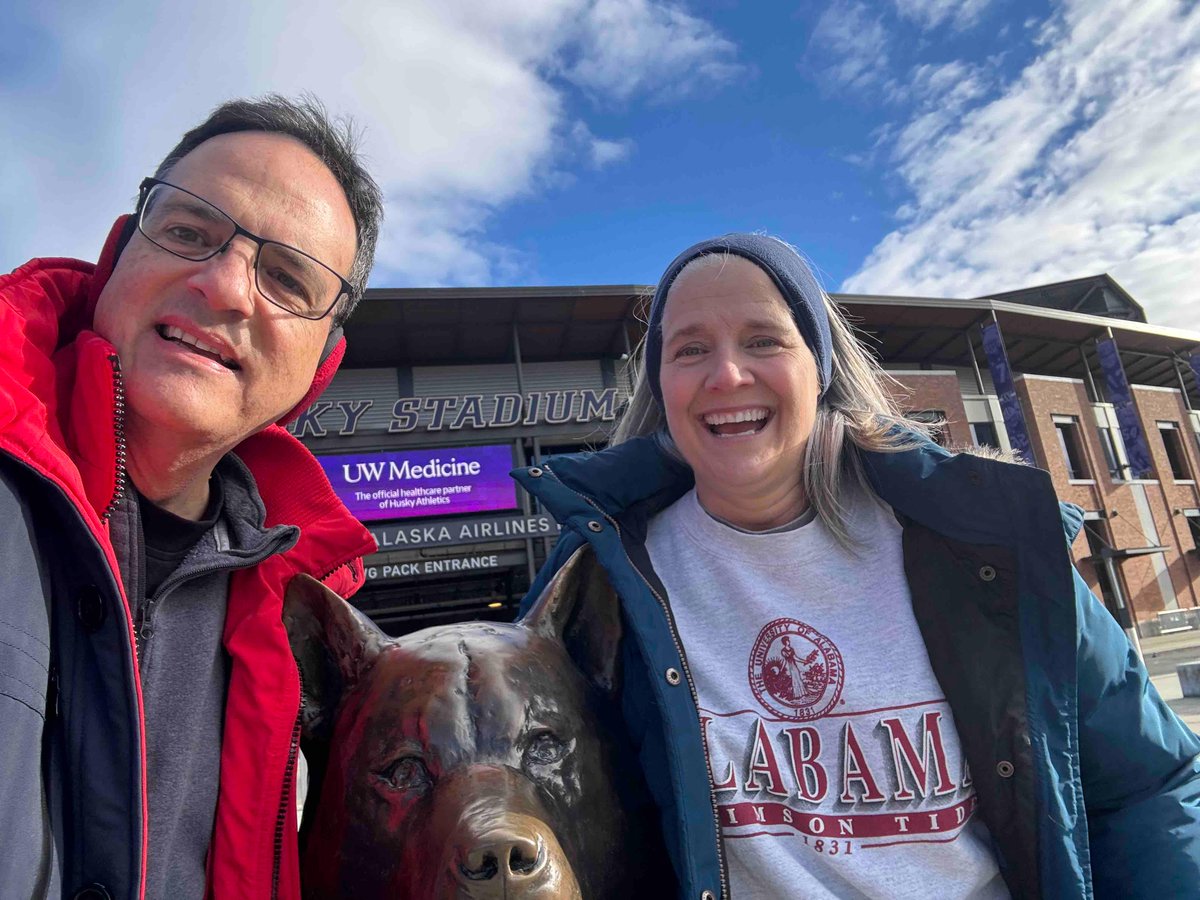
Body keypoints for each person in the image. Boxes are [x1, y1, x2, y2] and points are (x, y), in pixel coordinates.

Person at [515, 233, 1200, 899]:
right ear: (661, 385)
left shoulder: (985, 548)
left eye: (763, 340)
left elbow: (1150, 785)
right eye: (690, 348)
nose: (726, 375)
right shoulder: (604, 579)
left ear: (822, 368)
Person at [0, 95, 383, 899]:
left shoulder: (294, 613)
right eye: (188, 232)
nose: (226, 287)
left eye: (286, 278)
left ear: (321, 368)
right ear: (116, 256)